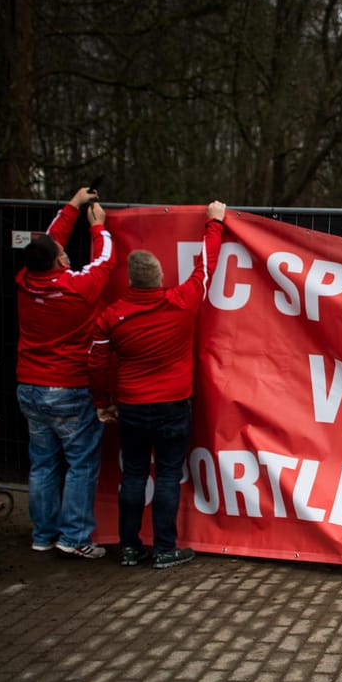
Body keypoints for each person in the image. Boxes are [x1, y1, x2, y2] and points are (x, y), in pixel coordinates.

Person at [88, 202, 226, 569]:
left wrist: (102, 401)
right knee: (167, 474)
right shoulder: (181, 301)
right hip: (173, 406)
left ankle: (130, 548)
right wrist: (215, 222)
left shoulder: (111, 316)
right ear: (161, 275)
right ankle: (165, 548)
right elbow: (206, 265)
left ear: (131, 280)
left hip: (131, 406)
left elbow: (97, 362)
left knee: (133, 475)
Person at [15, 186, 116, 558]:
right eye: (61, 252)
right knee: (80, 465)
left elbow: (51, 238)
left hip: (30, 388)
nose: (63, 249)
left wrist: (73, 206)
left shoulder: (26, 281)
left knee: (42, 463)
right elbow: (105, 260)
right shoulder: (77, 288)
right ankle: (74, 538)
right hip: (70, 389)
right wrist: (98, 227)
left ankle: (43, 535)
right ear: (59, 262)